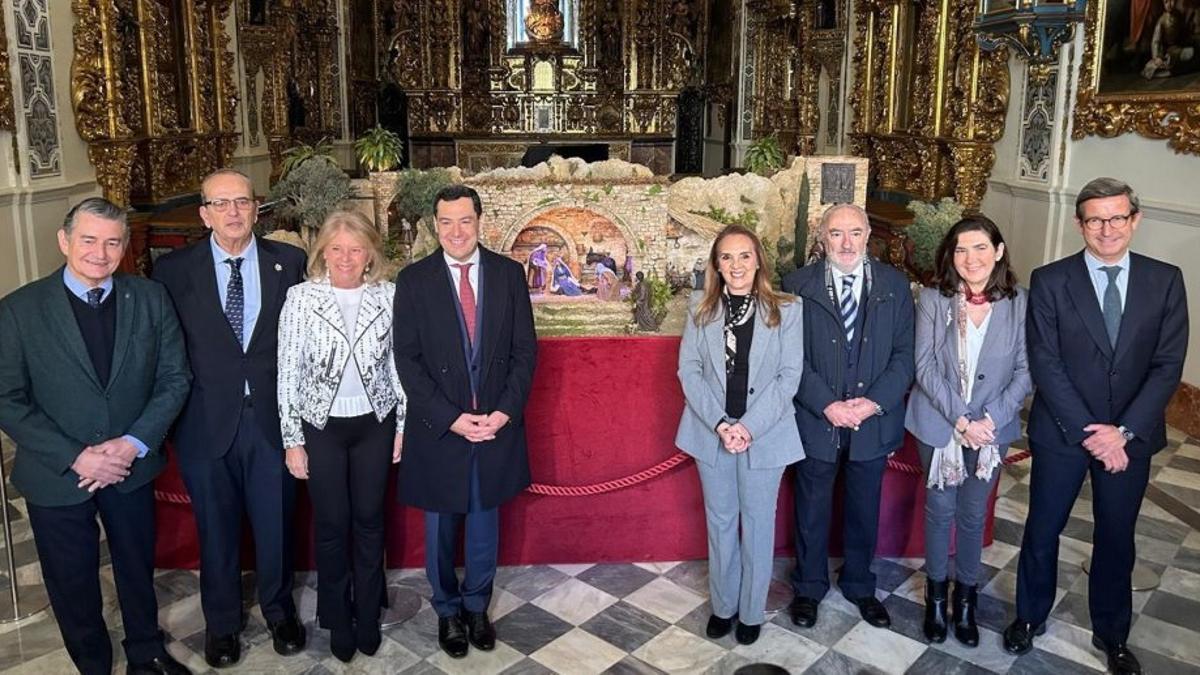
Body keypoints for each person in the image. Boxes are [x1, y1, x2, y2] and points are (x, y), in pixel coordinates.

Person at [0, 198, 192, 675]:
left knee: (135, 569)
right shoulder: (18, 310)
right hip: (57, 473)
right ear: (64, 241)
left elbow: (175, 378)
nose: (100, 253)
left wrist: (133, 444)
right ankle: (92, 665)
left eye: (112, 242)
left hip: (130, 465)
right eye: (88, 240)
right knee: (71, 581)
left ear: (124, 246)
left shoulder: (150, 298)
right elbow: (6, 398)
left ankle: (146, 653)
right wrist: (76, 457)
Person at [1004, 178, 1188, 675]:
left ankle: (1113, 634)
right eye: (1095, 219)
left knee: (1116, 537)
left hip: (1131, 439)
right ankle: (1029, 616)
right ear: (1079, 223)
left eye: (1117, 217)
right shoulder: (1050, 279)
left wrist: (1123, 432)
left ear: (1135, 219)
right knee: (1043, 529)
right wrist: (1093, 430)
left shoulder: (1165, 279)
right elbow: (1045, 362)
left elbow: (1168, 365)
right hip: (1064, 431)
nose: (1106, 228)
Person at [152, 169, 308, 668]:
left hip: (271, 421)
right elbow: (165, 351)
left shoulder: (291, 262)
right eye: (221, 204)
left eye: (242, 202)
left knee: (276, 524)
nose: (233, 212)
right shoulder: (173, 272)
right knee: (215, 530)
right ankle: (221, 624)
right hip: (205, 423)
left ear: (256, 208)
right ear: (204, 214)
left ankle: (279, 611)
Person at [392, 185, 537, 659]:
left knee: (483, 525)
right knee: (439, 529)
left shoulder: (509, 275)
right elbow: (407, 361)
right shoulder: (413, 281)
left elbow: (524, 353)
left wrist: (504, 413)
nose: (456, 231)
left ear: (480, 222)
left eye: (465, 221)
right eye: (446, 222)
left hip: (495, 427)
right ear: (436, 225)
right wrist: (451, 418)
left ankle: (477, 607)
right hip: (441, 429)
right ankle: (448, 612)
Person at [276, 211, 407, 663]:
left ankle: (368, 614)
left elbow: (399, 365)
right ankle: (337, 616)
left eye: (355, 249)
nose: (346, 258)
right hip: (320, 427)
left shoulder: (389, 296)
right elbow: (287, 372)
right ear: (322, 253)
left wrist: (402, 426)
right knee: (332, 526)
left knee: (370, 522)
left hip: (375, 423)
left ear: (370, 253)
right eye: (336, 249)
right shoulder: (300, 298)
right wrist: (293, 439)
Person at [781, 203, 915, 630]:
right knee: (812, 507)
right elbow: (791, 359)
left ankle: (860, 585)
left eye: (854, 233)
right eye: (836, 233)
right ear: (822, 237)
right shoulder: (797, 286)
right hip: (818, 420)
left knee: (863, 508)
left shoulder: (896, 286)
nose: (846, 242)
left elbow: (905, 357)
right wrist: (827, 404)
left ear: (868, 234)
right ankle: (808, 587)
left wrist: (873, 402)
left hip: (872, 421)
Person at [905, 216, 1032, 646]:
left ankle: (966, 603)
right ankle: (937, 599)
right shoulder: (933, 298)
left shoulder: (1019, 303)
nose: (970, 259)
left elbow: (1024, 371)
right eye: (961, 250)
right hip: (940, 424)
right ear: (950, 256)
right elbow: (923, 366)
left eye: (980, 248)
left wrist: (989, 422)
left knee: (974, 515)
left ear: (997, 251)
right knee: (939, 513)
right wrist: (960, 420)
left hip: (992, 431)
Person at [675, 224, 804, 646]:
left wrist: (747, 427)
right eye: (727, 257)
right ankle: (724, 606)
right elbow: (689, 371)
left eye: (744, 255)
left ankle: (750, 612)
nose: (736, 266)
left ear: (758, 260)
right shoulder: (700, 307)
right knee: (721, 522)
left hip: (765, 435)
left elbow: (789, 378)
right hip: (712, 432)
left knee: (758, 524)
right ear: (716, 264)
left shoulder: (787, 309)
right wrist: (720, 424)